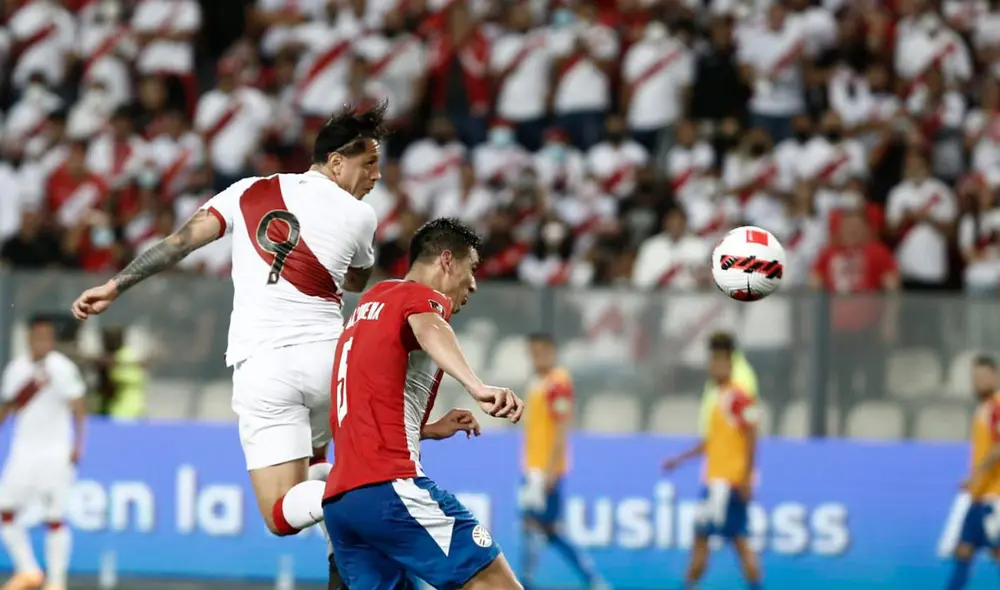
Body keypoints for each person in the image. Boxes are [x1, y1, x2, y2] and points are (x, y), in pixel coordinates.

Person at [70, 102, 389, 588]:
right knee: (320, 467)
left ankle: (373, 504)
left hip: (266, 369)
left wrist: (115, 285)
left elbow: (180, 243)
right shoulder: (360, 215)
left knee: (281, 516)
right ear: (337, 162)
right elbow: (357, 282)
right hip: (330, 363)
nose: (377, 175)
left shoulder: (248, 191)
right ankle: (344, 560)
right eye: (369, 163)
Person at [323, 217, 525, 590]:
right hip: (388, 488)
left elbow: (362, 406)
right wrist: (476, 386)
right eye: (473, 268)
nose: (474, 284)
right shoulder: (417, 296)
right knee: (496, 583)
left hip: (343, 501)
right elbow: (430, 327)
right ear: (447, 260)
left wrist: (427, 429)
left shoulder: (370, 303)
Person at [662, 333, 763, 590]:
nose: (712, 367)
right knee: (704, 538)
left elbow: (752, 434)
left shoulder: (739, 396)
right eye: (711, 362)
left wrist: (746, 478)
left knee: (737, 541)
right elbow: (711, 442)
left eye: (718, 362)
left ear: (729, 364)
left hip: (728, 483)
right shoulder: (717, 396)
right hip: (714, 480)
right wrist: (679, 460)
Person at [0, 314, 87, 590]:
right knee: (4, 510)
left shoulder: (62, 368)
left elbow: (79, 407)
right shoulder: (16, 369)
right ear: (28, 339)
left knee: (55, 516)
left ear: (51, 340)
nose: (40, 343)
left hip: (55, 452)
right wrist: (20, 397)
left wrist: (78, 445)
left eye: (45, 338)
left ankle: (56, 582)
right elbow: (7, 408)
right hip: (24, 451)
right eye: (35, 337)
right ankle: (28, 570)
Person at [519, 333, 606, 590]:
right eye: (532, 352)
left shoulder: (558, 383)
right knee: (539, 526)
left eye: (541, 351)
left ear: (552, 352)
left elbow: (561, 426)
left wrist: (551, 470)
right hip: (532, 466)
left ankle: (529, 581)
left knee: (542, 527)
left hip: (544, 470)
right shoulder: (536, 381)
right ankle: (588, 578)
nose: (537, 357)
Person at [945, 355, 1000, 590]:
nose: (979, 382)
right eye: (975, 377)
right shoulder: (982, 409)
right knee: (963, 552)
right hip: (978, 498)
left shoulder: (997, 407)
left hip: (994, 498)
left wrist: (976, 475)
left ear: (995, 377)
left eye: (984, 376)